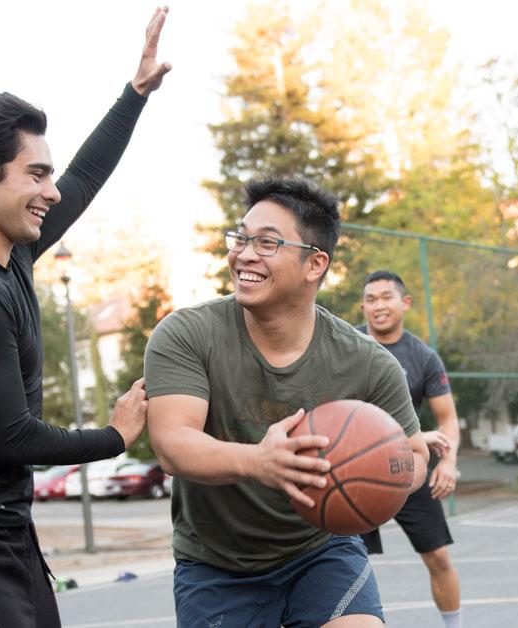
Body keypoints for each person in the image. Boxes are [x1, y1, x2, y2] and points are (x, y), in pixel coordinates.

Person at [0, 8, 172, 627]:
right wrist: (117, 438)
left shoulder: (9, 256)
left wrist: (135, 94)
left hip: (4, 532)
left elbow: (86, 176)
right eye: (35, 173)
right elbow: (12, 438)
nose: (51, 189)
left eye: (48, 173)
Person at [144, 178, 430, 627]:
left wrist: (376, 471)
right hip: (218, 563)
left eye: (267, 242)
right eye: (240, 237)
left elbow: (415, 456)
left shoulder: (368, 363)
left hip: (320, 550)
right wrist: (260, 461)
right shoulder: (186, 334)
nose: (244, 253)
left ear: (315, 264)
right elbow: (172, 443)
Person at [357, 270, 464, 628]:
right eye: (371, 299)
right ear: (363, 307)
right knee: (339, 562)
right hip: (351, 470)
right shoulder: (346, 345)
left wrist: (447, 462)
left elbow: (447, 419)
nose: (378, 306)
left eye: (386, 297)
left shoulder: (423, 357)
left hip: (409, 468)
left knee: (439, 558)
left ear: (404, 303)